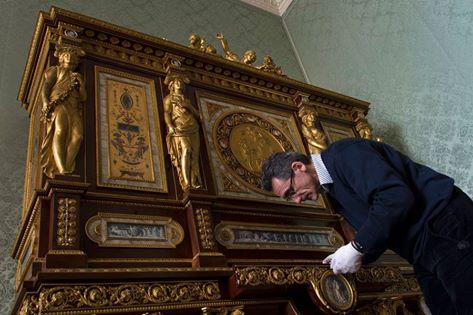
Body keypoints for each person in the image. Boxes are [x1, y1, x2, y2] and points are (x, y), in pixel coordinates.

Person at [261, 138, 473, 314]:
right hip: (422, 248)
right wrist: (356, 255)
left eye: (291, 192)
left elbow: (395, 197)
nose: (296, 200)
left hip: (445, 223)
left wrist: (357, 247)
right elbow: (381, 227)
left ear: (298, 167)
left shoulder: (345, 154)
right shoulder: (331, 190)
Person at [40, 43, 86, 178]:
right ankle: (62, 169)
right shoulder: (56, 70)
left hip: (74, 106)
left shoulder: (77, 76)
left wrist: (81, 83)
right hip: (59, 103)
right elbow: (46, 87)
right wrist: (45, 102)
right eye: (68, 62)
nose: (71, 65)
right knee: (60, 131)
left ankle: (66, 165)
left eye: (73, 63)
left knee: (78, 136)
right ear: (62, 59)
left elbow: (83, 97)